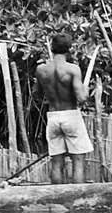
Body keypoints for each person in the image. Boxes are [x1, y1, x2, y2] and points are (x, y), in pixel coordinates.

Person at [35, 32, 92, 184]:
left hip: (53, 117)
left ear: (52, 48)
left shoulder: (41, 70)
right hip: (71, 116)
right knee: (78, 162)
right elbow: (81, 98)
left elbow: (38, 94)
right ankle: (78, 200)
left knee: (56, 163)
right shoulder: (72, 69)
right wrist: (86, 89)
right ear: (69, 49)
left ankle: (56, 199)